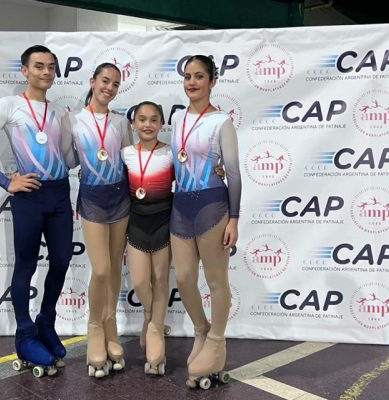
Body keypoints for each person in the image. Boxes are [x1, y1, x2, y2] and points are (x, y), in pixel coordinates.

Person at [0, 45, 76, 377]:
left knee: (61, 261)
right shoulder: (9, 105)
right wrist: (6, 182)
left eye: (51, 67)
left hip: (60, 194)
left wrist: (88, 149)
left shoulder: (60, 111)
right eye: (39, 66)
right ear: (25, 70)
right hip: (30, 196)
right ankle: (25, 335)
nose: (46, 72)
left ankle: (46, 324)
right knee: (26, 265)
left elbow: (67, 159)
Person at [170, 55, 241, 389]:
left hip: (213, 205)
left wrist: (234, 219)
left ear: (212, 82)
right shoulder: (177, 118)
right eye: (188, 76)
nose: (192, 82)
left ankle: (216, 341)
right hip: (181, 206)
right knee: (184, 277)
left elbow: (234, 173)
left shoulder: (221, 122)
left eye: (199, 76)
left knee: (216, 280)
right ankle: (201, 329)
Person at [65, 63, 132, 377]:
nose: (109, 87)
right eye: (105, 81)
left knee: (115, 267)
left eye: (115, 84)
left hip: (120, 197)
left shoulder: (120, 121)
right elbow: (66, 159)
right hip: (92, 198)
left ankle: (110, 326)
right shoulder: (73, 120)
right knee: (101, 269)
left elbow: (132, 159)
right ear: (92, 82)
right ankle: (94, 327)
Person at [121, 101, 173, 376]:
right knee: (141, 281)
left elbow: (191, 178)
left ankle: (155, 330)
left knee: (160, 279)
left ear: (162, 124)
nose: (148, 124)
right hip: (137, 225)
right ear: (133, 124)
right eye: (142, 119)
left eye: (154, 119)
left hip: (163, 224)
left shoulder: (171, 153)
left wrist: (218, 171)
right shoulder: (126, 154)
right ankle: (150, 317)